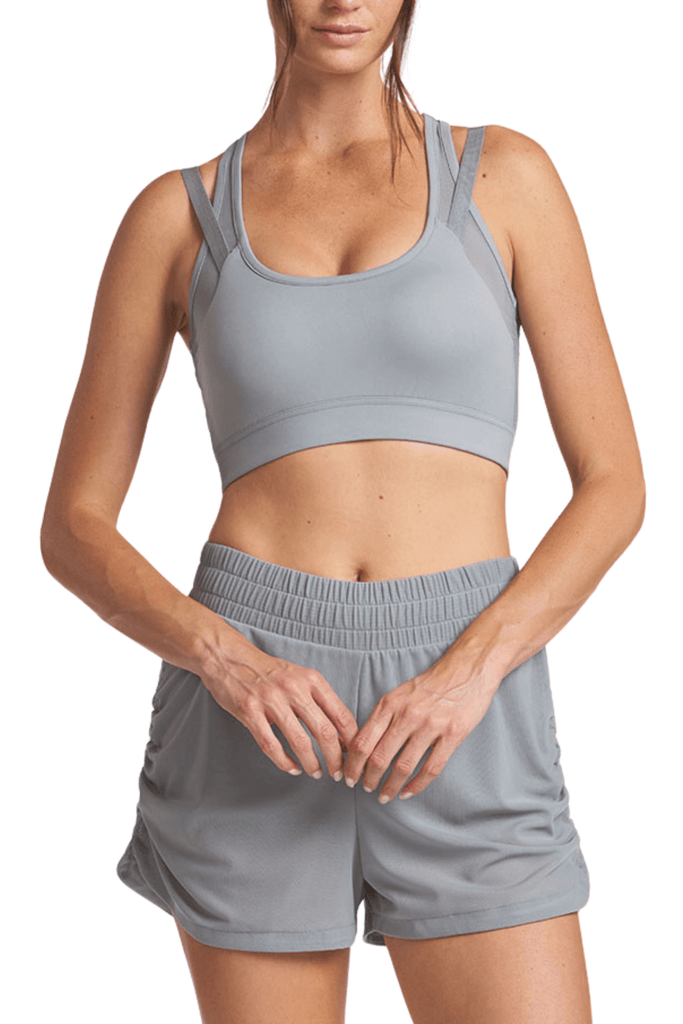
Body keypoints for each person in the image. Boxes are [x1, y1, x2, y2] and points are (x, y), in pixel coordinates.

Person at [40, 1, 646, 1021]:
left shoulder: (503, 177)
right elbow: (74, 525)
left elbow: (614, 484)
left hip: (464, 695)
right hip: (254, 704)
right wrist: (227, 661)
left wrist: (469, 672)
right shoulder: (178, 217)